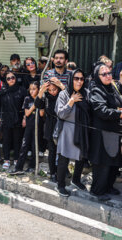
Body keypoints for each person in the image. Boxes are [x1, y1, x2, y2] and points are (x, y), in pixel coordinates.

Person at [89, 64, 122, 201]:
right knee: (103, 164)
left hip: (114, 132)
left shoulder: (112, 88)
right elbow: (101, 110)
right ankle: (97, 191)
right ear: (97, 76)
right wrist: (119, 113)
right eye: (104, 74)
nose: (108, 76)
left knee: (113, 162)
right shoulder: (96, 91)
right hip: (102, 134)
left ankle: (108, 187)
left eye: (109, 73)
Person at [54, 69, 89, 197]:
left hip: (82, 131)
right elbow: (60, 114)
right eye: (76, 78)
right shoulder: (64, 94)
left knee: (81, 157)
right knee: (64, 159)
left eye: (81, 79)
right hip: (67, 131)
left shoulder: (86, 94)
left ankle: (76, 180)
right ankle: (60, 185)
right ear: (70, 79)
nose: (79, 81)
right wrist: (72, 101)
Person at [10, 82, 44, 175]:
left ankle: (32, 167)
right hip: (29, 127)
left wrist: (39, 102)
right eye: (30, 89)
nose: (32, 91)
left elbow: (41, 114)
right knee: (24, 146)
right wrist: (35, 105)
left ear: (38, 90)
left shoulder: (42, 100)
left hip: (37, 127)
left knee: (34, 147)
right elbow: (27, 113)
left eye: (34, 89)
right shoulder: (27, 99)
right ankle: (18, 167)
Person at [0, 71, 27, 169]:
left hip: (18, 118)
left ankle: (17, 159)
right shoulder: (3, 92)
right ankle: (7, 160)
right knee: (6, 140)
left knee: (17, 140)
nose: (11, 80)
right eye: (8, 78)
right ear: (6, 80)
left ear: (15, 78)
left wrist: (25, 118)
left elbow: (26, 104)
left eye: (12, 77)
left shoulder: (22, 90)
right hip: (6, 119)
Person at [34, 81, 61, 182]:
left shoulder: (61, 95)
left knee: (61, 151)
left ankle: (61, 172)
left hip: (61, 125)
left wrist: (61, 87)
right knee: (52, 151)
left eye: (54, 89)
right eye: (49, 90)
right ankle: (52, 173)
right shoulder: (46, 97)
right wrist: (41, 91)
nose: (52, 92)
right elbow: (37, 104)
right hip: (50, 126)